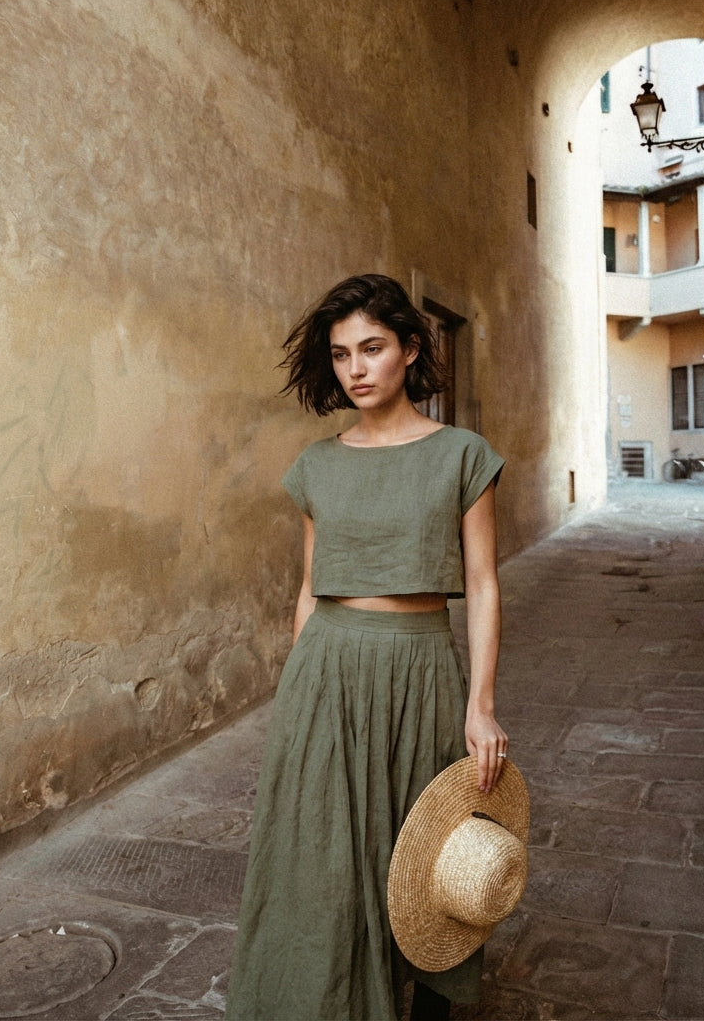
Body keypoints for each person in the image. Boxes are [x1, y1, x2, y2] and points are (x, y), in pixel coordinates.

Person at [225, 274, 507, 1021]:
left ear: (411, 351)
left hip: (421, 671)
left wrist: (480, 707)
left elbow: (481, 587)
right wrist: (296, 696)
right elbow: (309, 590)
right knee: (328, 864)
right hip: (328, 672)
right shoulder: (318, 466)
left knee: (430, 859)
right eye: (343, 353)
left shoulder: (463, 455)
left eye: (373, 348)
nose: (356, 368)